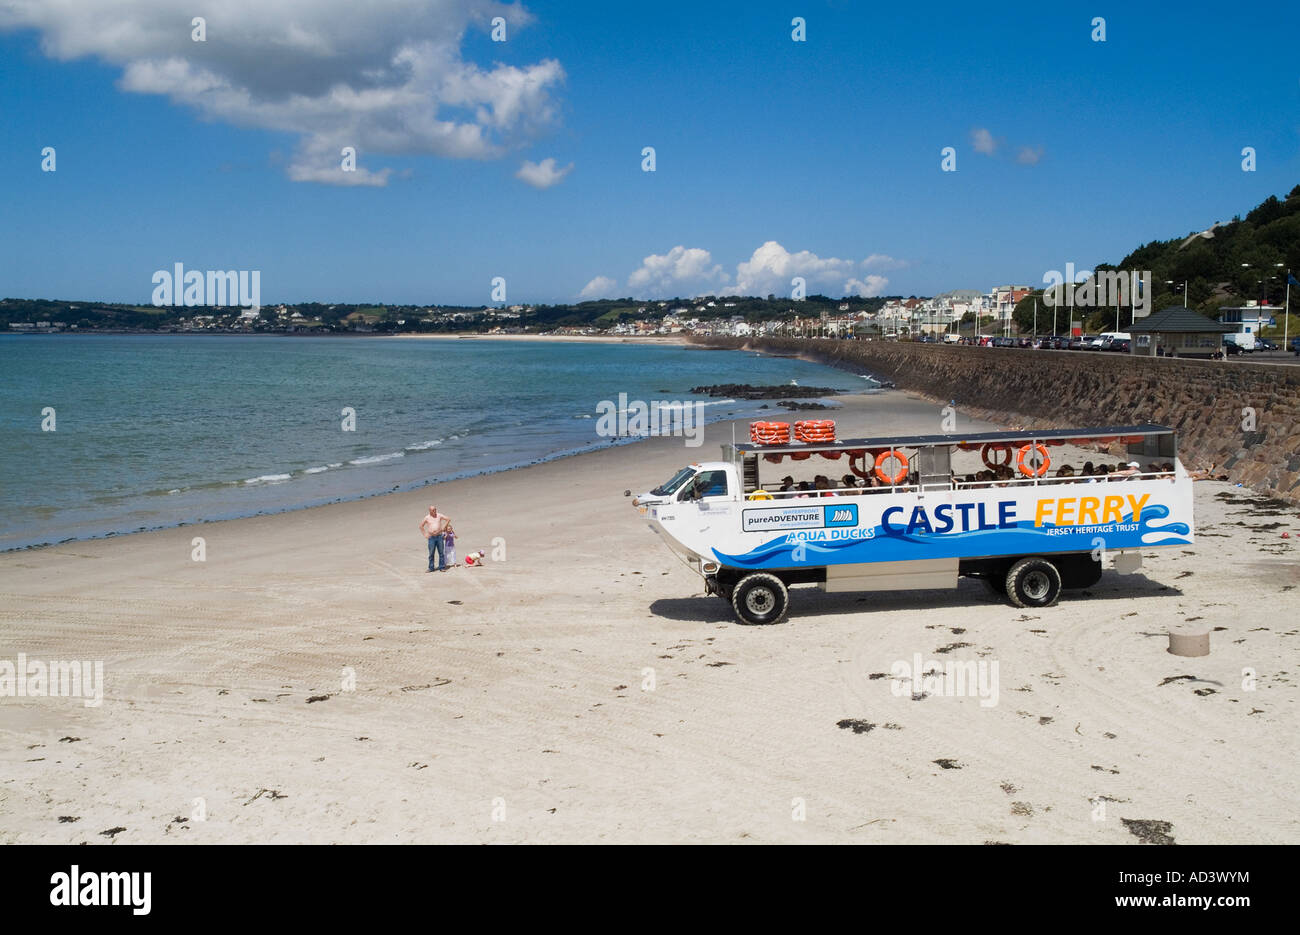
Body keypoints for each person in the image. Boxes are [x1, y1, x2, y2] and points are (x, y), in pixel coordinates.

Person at [418, 504, 452, 572]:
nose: (435, 511)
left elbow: (448, 519)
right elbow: (421, 526)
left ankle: (441, 567)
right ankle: (431, 568)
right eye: (433, 510)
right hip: (431, 537)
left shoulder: (439, 515)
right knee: (431, 553)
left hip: (439, 536)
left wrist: (444, 527)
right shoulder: (427, 517)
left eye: (435, 509)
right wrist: (425, 534)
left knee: (441, 553)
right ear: (430, 511)